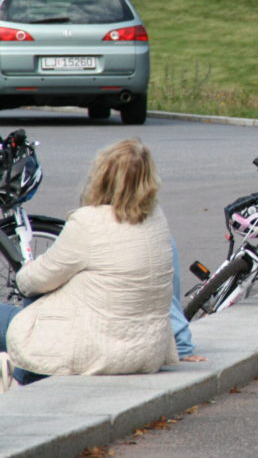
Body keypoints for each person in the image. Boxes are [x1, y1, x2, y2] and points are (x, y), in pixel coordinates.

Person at [0, 139, 179, 391]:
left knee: (14, 312)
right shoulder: (156, 219)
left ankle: (21, 379)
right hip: (146, 351)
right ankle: (20, 374)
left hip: (97, 348)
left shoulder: (89, 223)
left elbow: (34, 281)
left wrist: (29, 271)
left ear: (101, 176)